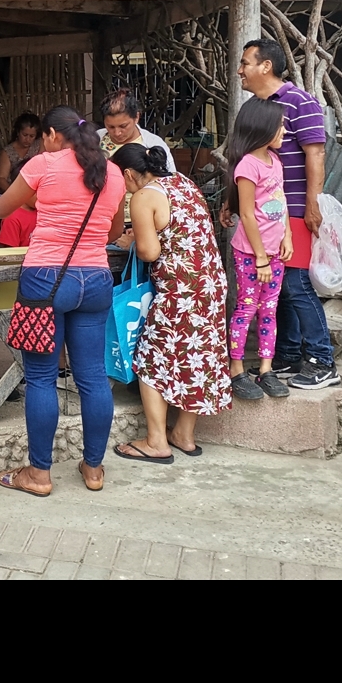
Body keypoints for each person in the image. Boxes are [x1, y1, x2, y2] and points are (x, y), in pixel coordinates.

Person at [0, 108, 126, 496]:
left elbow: (1, 209)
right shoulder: (112, 172)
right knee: (93, 377)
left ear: (51, 134)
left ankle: (39, 474)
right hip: (95, 279)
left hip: (46, 279)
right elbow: (113, 230)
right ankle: (93, 469)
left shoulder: (43, 164)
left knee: (42, 378)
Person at [112, 144, 232, 462]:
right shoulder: (184, 183)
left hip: (179, 289)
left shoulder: (143, 197)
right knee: (196, 357)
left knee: (149, 358)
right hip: (210, 285)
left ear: (128, 173)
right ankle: (183, 435)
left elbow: (150, 252)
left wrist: (132, 240)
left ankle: (156, 442)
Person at [234, 39, 341, 390]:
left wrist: (312, 204)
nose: (240, 70)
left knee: (295, 285)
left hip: (292, 211)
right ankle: (288, 353)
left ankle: (322, 360)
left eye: (245, 63)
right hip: (267, 214)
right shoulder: (256, 107)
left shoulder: (300, 101)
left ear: (265, 66)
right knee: (278, 289)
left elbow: (316, 153)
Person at [224, 99, 293, 402]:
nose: (284, 131)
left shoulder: (274, 161)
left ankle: (266, 368)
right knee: (247, 308)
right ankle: (236, 369)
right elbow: (247, 214)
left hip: (274, 253)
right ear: (263, 127)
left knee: (269, 310)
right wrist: (262, 258)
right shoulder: (248, 166)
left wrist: (287, 235)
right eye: (280, 126)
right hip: (252, 255)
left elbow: (281, 200)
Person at [99, 91, 176, 172]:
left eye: (123, 126)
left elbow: (171, 177)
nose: (117, 133)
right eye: (111, 127)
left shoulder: (153, 143)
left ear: (136, 117)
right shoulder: (97, 137)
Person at [0, 113, 43, 194]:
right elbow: (1, 178)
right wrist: (15, 194)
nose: (27, 139)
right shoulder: (8, 152)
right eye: (25, 135)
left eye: (32, 136)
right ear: (18, 132)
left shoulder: (40, 145)